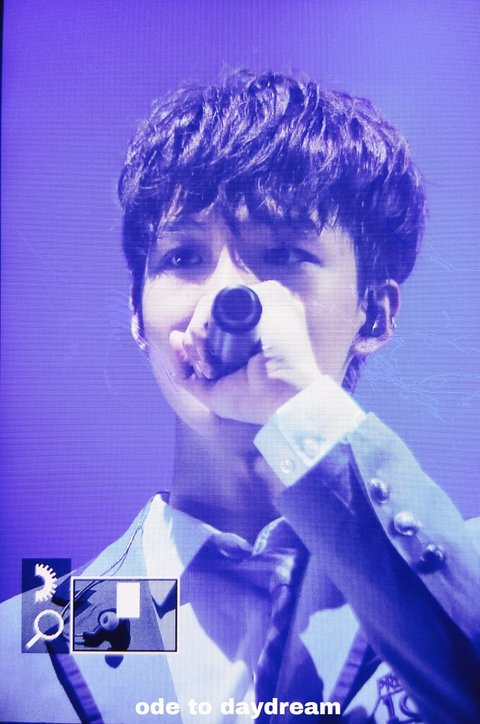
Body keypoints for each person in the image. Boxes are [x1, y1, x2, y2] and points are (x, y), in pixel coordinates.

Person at [1, 71, 479, 723]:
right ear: (139, 316)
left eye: (283, 253)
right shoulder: (42, 631)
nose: (227, 296)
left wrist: (302, 407)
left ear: (374, 313)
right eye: (182, 257)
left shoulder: (451, 573)